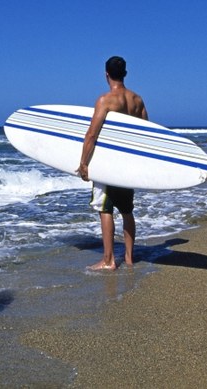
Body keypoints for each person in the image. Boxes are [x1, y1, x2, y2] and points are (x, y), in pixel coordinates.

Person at [76, 56, 147, 271]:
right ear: (125, 73)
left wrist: (84, 163)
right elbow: (146, 134)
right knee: (127, 210)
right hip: (127, 165)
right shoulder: (137, 100)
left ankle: (108, 260)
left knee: (105, 209)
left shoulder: (105, 100)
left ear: (106, 74)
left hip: (108, 164)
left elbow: (91, 135)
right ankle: (129, 257)